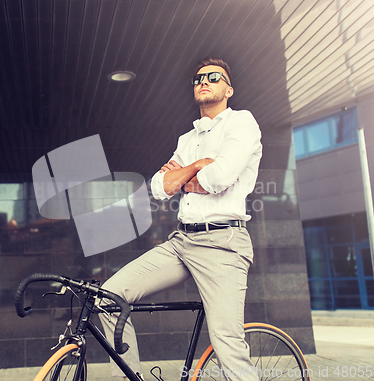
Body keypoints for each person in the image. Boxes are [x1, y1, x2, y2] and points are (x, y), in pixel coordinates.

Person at [98, 57, 262, 380]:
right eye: (199, 78)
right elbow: (159, 187)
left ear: (228, 88)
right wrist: (200, 163)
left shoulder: (241, 123)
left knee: (227, 344)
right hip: (182, 242)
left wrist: (185, 178)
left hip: (223, 244)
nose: (204, 81)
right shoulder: (187, 141)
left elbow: (220, 178)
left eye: (214, 77)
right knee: (109, 297)